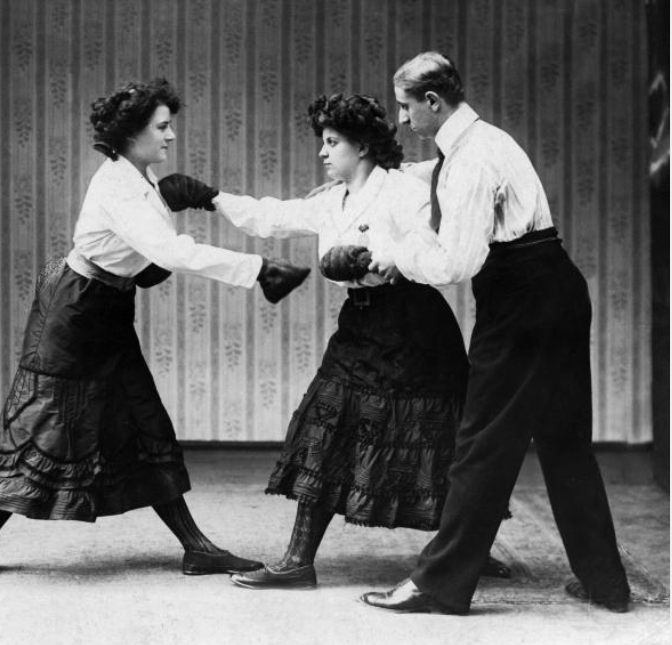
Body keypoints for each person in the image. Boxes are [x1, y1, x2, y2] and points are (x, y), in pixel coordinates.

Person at [0, 78, 310, 582]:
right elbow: (166, 252)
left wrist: (177, 199)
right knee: (41, 425)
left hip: (109, 306)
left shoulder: (139, 178)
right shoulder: (116, 187)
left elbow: (143, 261)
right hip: (73, 310)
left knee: (144, 419)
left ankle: (197, 548)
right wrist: (259, 269)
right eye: (162, 127)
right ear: (131, 133)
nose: (171, 136)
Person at [159, 93, 510, 589]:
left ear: (361, 146)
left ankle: (468, 548)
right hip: (361, 324)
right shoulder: (331, 199)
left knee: (440, 438)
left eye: (332, 142)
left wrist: (371, 256)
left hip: (415, 324)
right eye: (322, 142)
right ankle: (298, 561)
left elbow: (429, 243)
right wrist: (210, 197)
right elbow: (271, 217)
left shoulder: (402, 190)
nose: (323, 152)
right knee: (328, 428)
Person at [356, 52, 630, 614]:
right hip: (556, 289)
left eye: (406, 107)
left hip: (520, 301)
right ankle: (607, 584)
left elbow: (455, 263)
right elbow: (432, 179)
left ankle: (438, 585)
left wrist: (397, 254)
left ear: (433, 101)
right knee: (565, 442)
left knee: (481, 440)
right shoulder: (483, 141)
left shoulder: (471, 160)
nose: (402, 119)